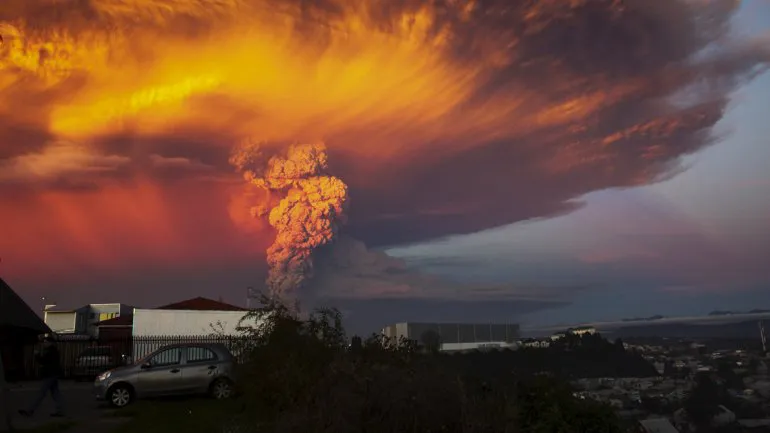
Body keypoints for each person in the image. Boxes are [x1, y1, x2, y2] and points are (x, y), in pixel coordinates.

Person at [18, 335, 64, 417]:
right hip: (53, 374)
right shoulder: (52, 351)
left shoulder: (51, 352)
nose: (44, 343)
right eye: (44, 342)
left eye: (46, 342)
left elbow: (44, 361)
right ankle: (60, 410)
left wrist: (37, 355)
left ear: (51, 343)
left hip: (50, 374)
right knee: (55, 392)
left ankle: (30, 410)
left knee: (41, 393)